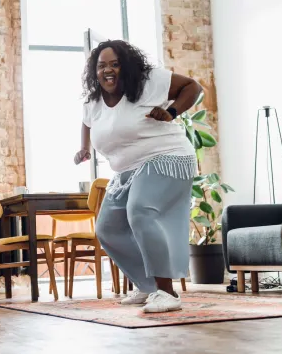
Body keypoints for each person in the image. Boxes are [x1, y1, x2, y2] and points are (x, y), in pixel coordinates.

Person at [74, 40, 203, 313]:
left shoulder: (148, 82)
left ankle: (167, 293)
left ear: (127, 66)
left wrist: (171, 112)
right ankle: (147, 285)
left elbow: (193, 87)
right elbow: (87, 121)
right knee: (107, 229)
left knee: (141, 210)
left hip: (167, 157)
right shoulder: (94, 101)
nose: (107, 70)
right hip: (127, 169)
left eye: (114, 64)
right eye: (101, 66)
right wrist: (84, 148)